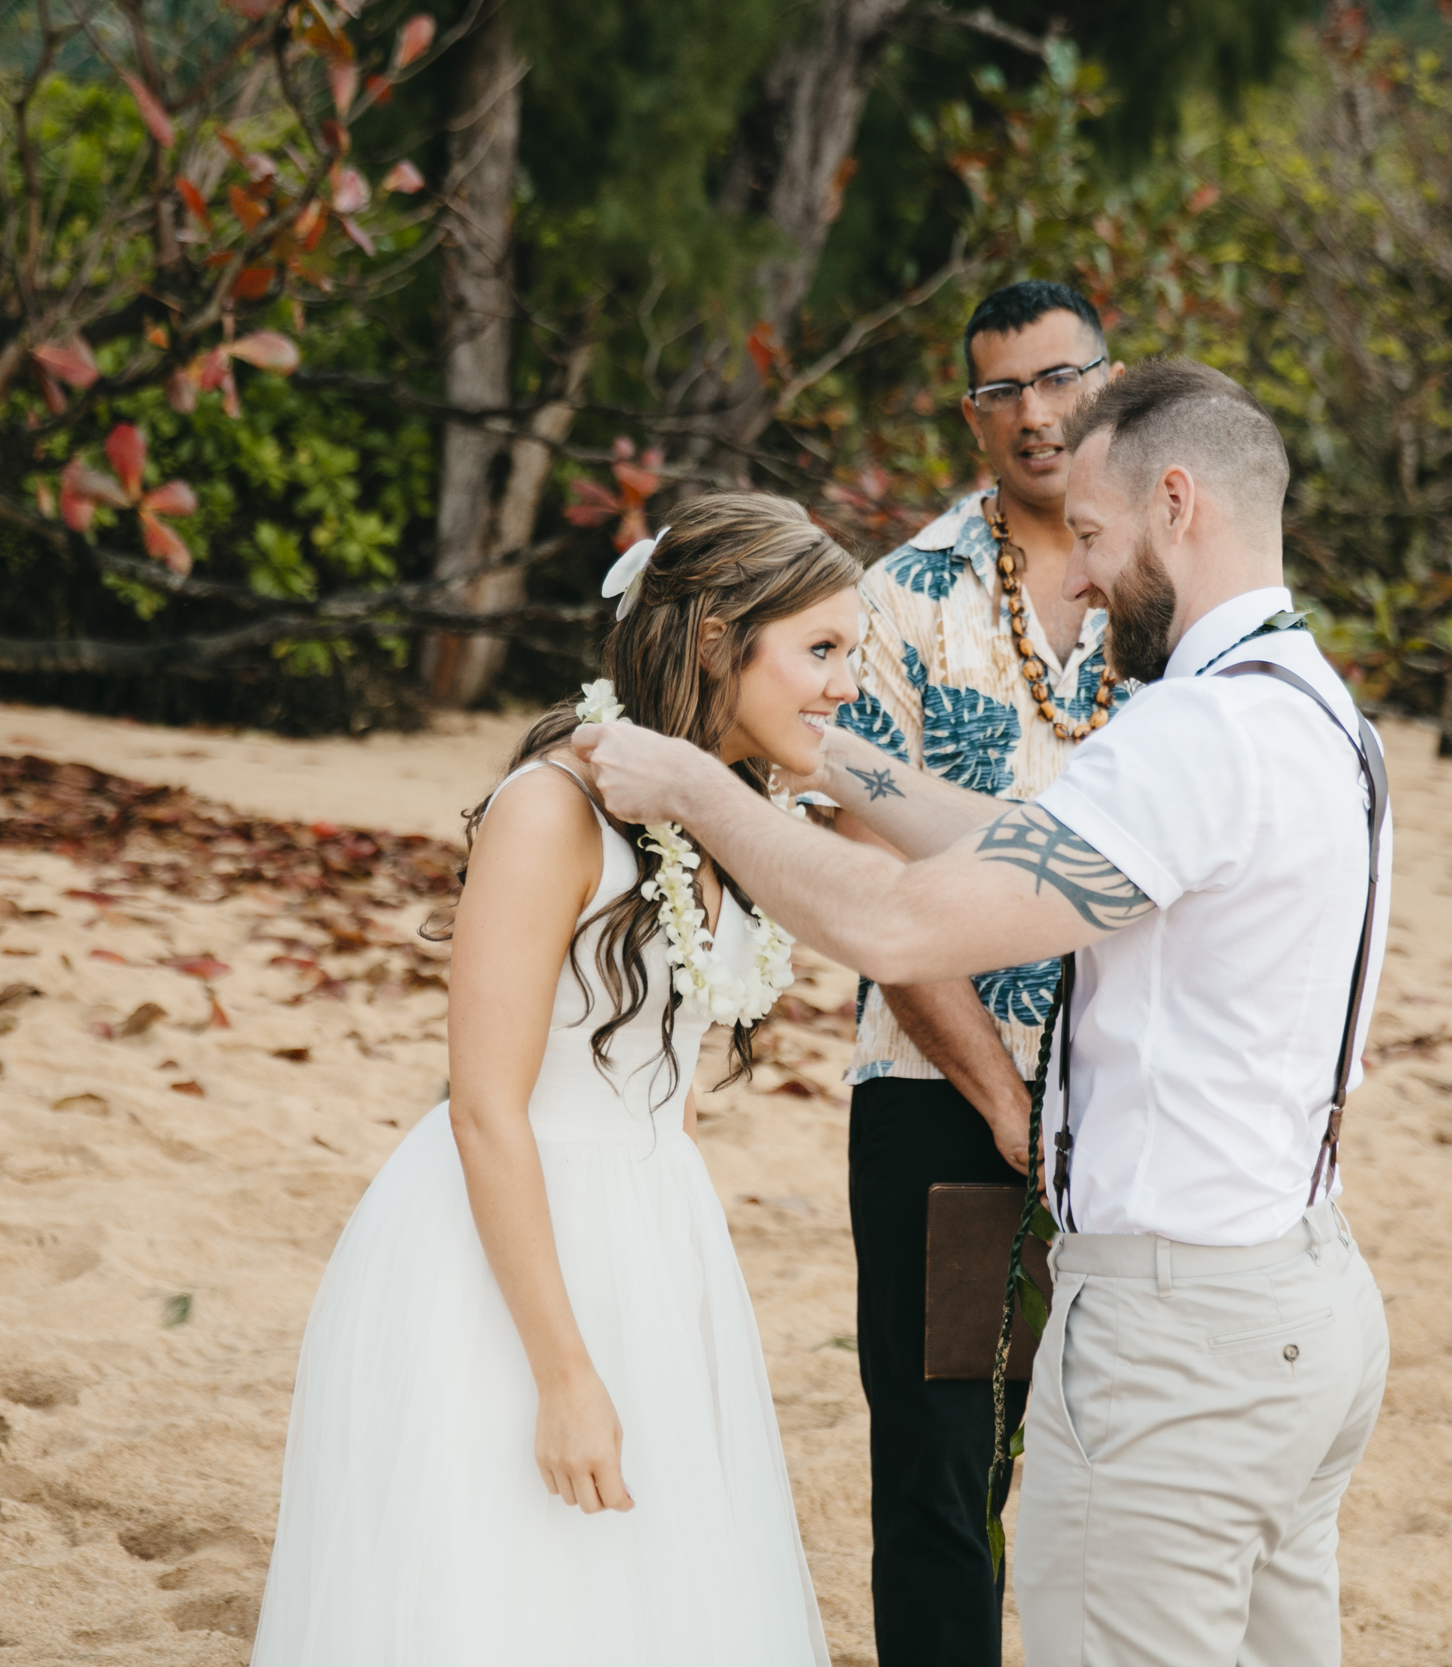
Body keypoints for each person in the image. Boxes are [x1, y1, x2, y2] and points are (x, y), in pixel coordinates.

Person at [575, 361, 1394, 1667]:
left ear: (1177, 503)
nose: (1076, 577)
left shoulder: (1198, 736)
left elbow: (898, 922)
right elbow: (1032, 837)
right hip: (1305, 1306)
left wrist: (694, 785)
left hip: (1182, 1346)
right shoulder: (1314, 714)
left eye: (1094, 534)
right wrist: (817, 751)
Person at [248, 494, 862, 1667]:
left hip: (654, 1224)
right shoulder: (553, 808)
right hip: (505, 1246)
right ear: (717, 636)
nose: (843, 683)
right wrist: (565, 1369)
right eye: (821, 649)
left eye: (851, 653)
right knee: (505, 1592)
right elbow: (482, 1106)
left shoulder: (728, 807)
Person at [828, 279, 1128, 1667]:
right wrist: (1004, 1098)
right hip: (944, 1097)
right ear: (972, 416)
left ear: (1110, 380)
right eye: (1003, 390)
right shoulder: (902, 601)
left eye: (1061, 377)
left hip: (1133, 1095)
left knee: (1112, 1461)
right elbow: (874, 880)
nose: (1038, 414)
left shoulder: (1168, 586)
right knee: (950, 1474)